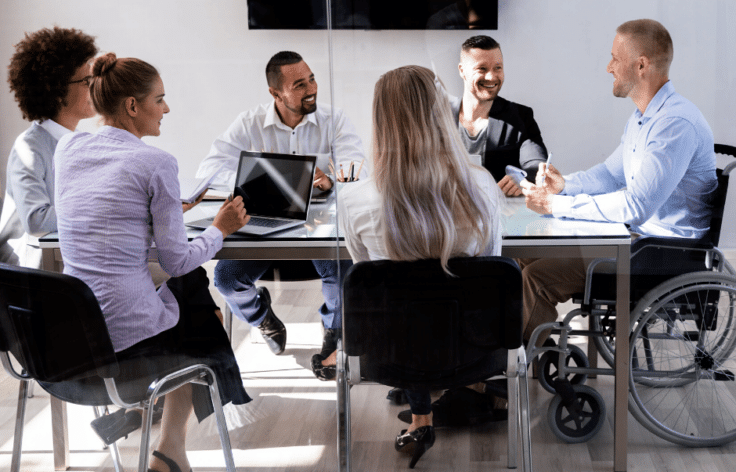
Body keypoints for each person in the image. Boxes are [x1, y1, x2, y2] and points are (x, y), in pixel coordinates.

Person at [53, 52, 252, 472]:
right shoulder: (156, 162)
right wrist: (221, 227)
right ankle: (169, 448)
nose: (166, 109)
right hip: (125, 340)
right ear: (132, 106)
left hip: (72, 336)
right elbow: (177, 261)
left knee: (193, 295)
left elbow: (101, 220)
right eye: (159, 99)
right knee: (198, 298)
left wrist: (153, 217)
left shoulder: (68, 147)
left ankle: (148, 420)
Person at [338, 65, 503, 468]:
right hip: (474, 352)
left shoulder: (356, 201)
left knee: (404, 315)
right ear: (439, 116)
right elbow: (493, 267)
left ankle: (420, 415)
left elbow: (367, 281)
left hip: (389, 354)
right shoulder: (481, 187)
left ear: (381, 120)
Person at [520, 19, 717, 344]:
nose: (608, 67)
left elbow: (636, 206)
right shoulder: (644, 117)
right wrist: (564, 185)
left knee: (536, 278)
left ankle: (504, 383)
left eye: (615, 58)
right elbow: (611, 174)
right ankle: (503, 360)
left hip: (659, 254)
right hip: (637, 243)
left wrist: (556, 205)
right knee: (520, 257)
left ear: (641, 65)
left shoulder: (674, 124)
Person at [196, 51, 366, 376]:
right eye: (299, 84)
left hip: (319, 228)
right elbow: (209, 170)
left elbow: (357, 167)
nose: (311, 88)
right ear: (276, 93)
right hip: (264, 225)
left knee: (343, 272)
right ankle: (263, 319)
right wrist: (265, 179)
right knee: (226, 279)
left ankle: (333, 328)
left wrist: (332, 178)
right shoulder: (249, 123)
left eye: (312, 78)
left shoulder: (335, 120)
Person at [0, 27, 97, 268]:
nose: (95, 87)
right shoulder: (29, 148)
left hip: (65, 263)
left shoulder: (82, 142)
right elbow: (37, 221)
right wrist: (102, 206)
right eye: (86, 81)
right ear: (56, 90)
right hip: (31, 276)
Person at [451, 35, 548, 197]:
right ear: (462, 71)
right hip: (446, 214)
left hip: (502, 215)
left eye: (498, 68)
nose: (491, 77)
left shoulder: (521, 117)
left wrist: (522, 178)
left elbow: (536, 165)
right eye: (481, 68)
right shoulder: (437, 117)